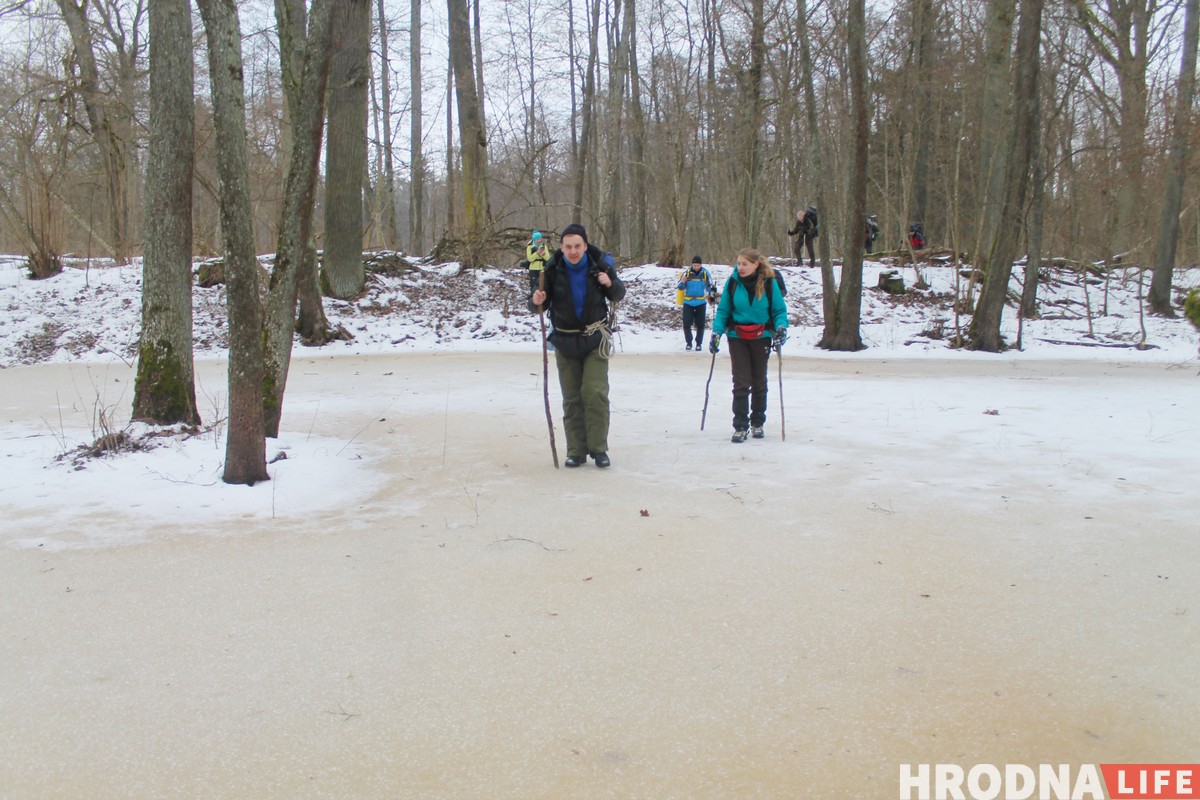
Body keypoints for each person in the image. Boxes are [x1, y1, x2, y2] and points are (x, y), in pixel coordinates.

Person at [529, 223, 626, 469]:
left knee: (595, 393)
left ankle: (598, 449)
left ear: (585, 245)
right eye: (568, 246)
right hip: (565, 339)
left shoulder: (599, 265)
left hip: (595, 338)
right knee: (572, 398)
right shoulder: (551, 270)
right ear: (561, 247)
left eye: (577, 246)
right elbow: (538, 302)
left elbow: (618, 294)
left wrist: (609, 283)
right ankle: (576, 451)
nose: (573, 251)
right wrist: (536, 299)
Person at [710, 248, 788, 443]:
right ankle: (740, 426)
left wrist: (780, 328)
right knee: (741, 380)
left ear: (756, 264)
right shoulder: (733, 283)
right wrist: (716, 331)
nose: (741, 267)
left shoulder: (770, 283)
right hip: (737, 335)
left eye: (745, 264)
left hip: (762, 335)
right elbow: (723, 310)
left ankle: (757, 422)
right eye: (738, 264)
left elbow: (779, 310)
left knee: (759, 379)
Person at [676, 255, 715, 351]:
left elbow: (709, 286)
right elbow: (680, 287)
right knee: (686, 324)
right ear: (692, 264)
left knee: (700, 324)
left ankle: (699, 343)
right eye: (694, 265)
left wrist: (712, 292)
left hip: (701, 302)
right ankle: (689, 342)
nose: (696, 267)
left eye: (698, 265)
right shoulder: (687, 273)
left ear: (701, 265)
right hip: (688, 302)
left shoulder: (705, 273)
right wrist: (682, 282)